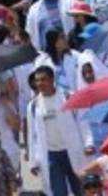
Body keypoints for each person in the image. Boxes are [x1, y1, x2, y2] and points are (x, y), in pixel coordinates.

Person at [25, 65, 89, 196]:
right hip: (51, 156)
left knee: (80, 189)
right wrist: (33, 161)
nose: (40, 83)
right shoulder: (33, 105)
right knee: (58, 192)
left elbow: (82, 121)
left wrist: (88, 143)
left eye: (43, 79)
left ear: (52, 79)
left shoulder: (68, 97)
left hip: (71, 151)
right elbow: (32, 135)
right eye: (37, 80)